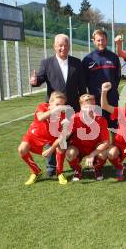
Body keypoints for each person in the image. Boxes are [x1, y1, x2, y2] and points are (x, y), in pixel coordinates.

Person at [30, 34, 87, 177]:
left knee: (70, 137)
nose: (63, 48)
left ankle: (73, 164)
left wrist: (83, 106)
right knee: (51, 137)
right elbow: (40, 79)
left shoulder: (77, 62)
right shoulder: (46, 63)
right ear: (54, 46)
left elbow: (82, 87)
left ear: (69, 46)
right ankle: (51, 167)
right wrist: (34, 81)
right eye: (60, 45)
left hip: (72, 108)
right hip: (54, 109)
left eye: (65, 45)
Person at [64, 94, 124, 181]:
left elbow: (106, 142)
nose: (88, 109)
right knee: (70, 153)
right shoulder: (74, 118)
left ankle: (97, 168)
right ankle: (78, 169)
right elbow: (66, 136)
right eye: (86, 106)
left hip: (95, 147)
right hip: (78, 147)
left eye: (91, 106)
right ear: (81, 107)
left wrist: (92, 154)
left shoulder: (101, 120)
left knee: (103, 154)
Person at [17, 91, 69, 185]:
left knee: (62, 144)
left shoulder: (65, 115)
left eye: (62, 105)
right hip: (34, 136)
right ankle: (36, 172)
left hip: (52, 138)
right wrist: (55, 110)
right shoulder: (42, 107)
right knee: (22, 149)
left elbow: (62, 135)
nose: (60, 107)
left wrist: (51, 149)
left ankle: (60, 173)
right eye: (57, 104)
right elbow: (40, 117)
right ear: (50, 102)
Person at [82, 29, 121, 128]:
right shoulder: (87, 59)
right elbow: (84, 80)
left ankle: (114, 143)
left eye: (103, 40)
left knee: (113, 126)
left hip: (112, 98)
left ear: (106, 40)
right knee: (97, 125)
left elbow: (117, 77)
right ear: (93, 41)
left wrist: (111, 89)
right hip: (96, 99)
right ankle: (101, 143)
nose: (101, 43)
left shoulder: (114, 57)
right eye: (98, 40)